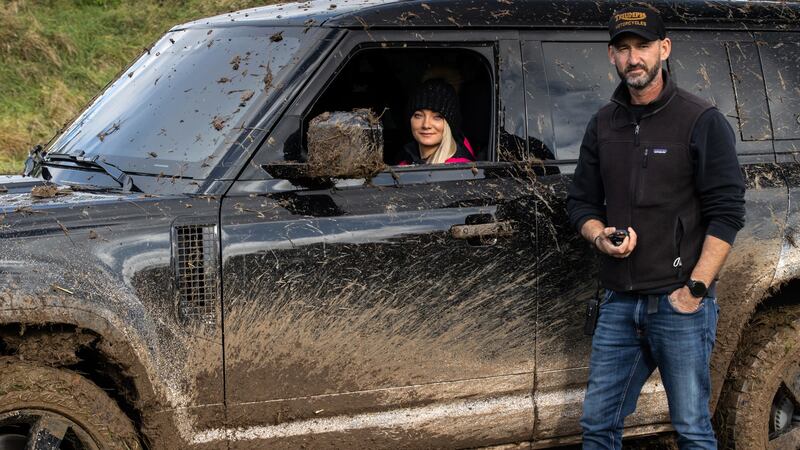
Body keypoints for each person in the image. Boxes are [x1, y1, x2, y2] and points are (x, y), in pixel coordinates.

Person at [566, 5, 746, 449]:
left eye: (643, 46)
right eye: (623, 48)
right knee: (598, 426)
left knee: (691, 429)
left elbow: (727, 212)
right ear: (612, 56)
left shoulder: (700, 119)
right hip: (618, 304)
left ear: (664, 49)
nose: (634, 58)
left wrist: (695, 290)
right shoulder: (603, 123)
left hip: (678, 304)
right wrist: (599, 236)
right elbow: (581, 203)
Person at [398, 79, 475, 165]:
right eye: (418, 115)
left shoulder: (460, 169)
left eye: (437, 117)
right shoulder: (405, 163)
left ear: (449, 125)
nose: (426, 125)